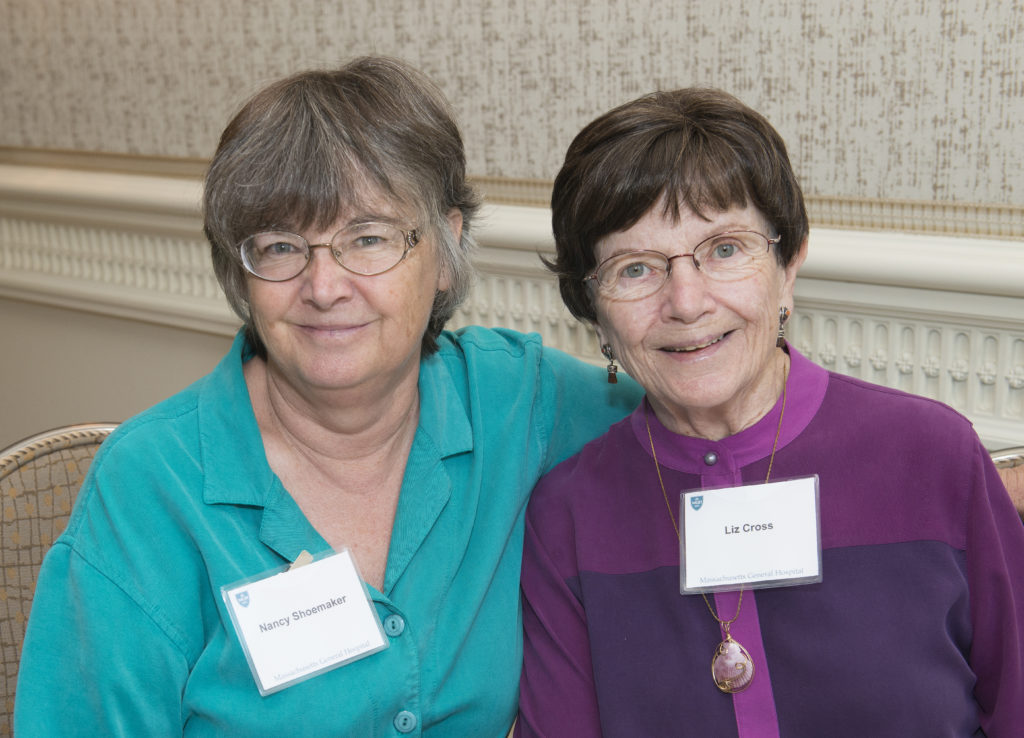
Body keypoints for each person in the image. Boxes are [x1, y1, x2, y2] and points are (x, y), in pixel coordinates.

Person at [14, 57, 641, 735]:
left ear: (447, 245)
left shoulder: (521, 405)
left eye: (367, 238)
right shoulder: (150, 487)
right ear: (240, 272)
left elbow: (712, 424)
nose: (323, 286)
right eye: (282, 247)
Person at [517, 87, 1024, 737]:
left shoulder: (930, 457)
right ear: (592, 309)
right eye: (635, 268)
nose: (687, 301)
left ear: (789, 266)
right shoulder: (570, 515)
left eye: (725, 249)